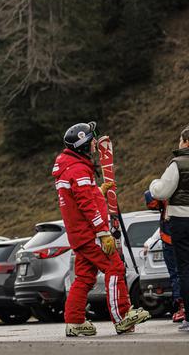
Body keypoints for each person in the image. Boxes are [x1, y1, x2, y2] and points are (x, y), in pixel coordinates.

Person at [54, 122, 150, 336]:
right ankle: (122, 317)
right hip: (90, 234)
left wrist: (98, 190)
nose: (95, 143)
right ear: (83, 145)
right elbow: (86, 205)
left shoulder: (69, 167)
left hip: (79, 235)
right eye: (92, 139)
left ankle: (75, 322)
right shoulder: (78, 169)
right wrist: (103, 233)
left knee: (84, 278)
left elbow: (82, 197)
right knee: (115, 268)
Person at [149, 125, 189, 331]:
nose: (178, 144)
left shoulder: (178, 163)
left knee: (184, 268)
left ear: (186, 142)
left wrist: (154, 184)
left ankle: (187, 314)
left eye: (180, 140)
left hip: (182, 220)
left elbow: (161, 192)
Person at [146, 190, 184, 322]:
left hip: (172, 239)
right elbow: (151, 200)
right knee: (179, 274)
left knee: (177, 274)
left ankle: (183, 308)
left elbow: (151, 199)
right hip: (173, 238)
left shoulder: (167, 187)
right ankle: (182, 307)